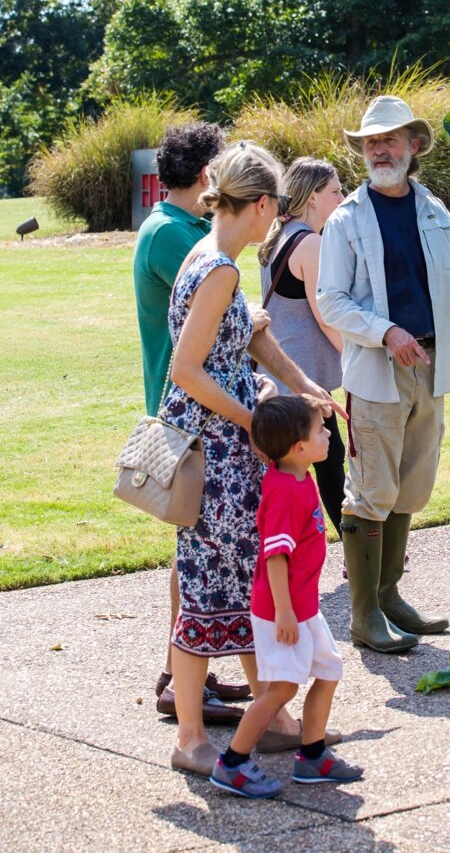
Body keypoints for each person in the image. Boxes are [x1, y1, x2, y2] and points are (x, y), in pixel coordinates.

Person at [164, 141, 346, 777]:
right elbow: (186, 370)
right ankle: (191, 738)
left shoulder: (212, 257)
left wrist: (305, 387)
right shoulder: (218, 270)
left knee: (243, 586)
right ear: (264, 203)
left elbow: (251, 338)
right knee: (207, 591)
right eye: (278, 206)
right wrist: (256, 422)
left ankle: (275, 721)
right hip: (216, 455)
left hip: (224, 451)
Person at [317, 96, 450, 653]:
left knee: (409, 486)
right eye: (370, 142)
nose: (379, 150)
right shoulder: (346, 220)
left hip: (430, 368)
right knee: (370, 491)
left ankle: (388, 597)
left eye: (390, 139)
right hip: (376, 372)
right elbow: (331, 300)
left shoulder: (433, 211)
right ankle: (364, 616)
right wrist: (386, 332)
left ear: (414, 145)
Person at [133, 122, 249, 721]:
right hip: (190, 413)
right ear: (208, 174)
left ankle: (186, 676)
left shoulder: (179, 227)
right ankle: (180, 682)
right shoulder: (172, 234)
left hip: (195, 406)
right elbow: (226, 317)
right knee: (195, 548)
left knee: (195, 548)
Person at [210, 393, 363, 798]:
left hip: (303, 607)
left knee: (328, 671)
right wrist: (283, 613)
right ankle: (232, 763)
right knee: (281, 689)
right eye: (320, 431)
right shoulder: (284, 492)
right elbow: (274, 557)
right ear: (298, 447)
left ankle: (312, 756)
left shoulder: (298, 475)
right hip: (283, 611)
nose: (327, 435)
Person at [256, 158, 346, 534]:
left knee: (306, 462)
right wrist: (354, 358)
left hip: (278, 368)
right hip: (301, 375)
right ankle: (356, 550)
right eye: (335, 191)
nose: (342, 198)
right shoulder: (310, 242)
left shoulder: (277, 235)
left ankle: (285, 542)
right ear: (312, 198)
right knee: (329, 458)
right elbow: (325, 315)